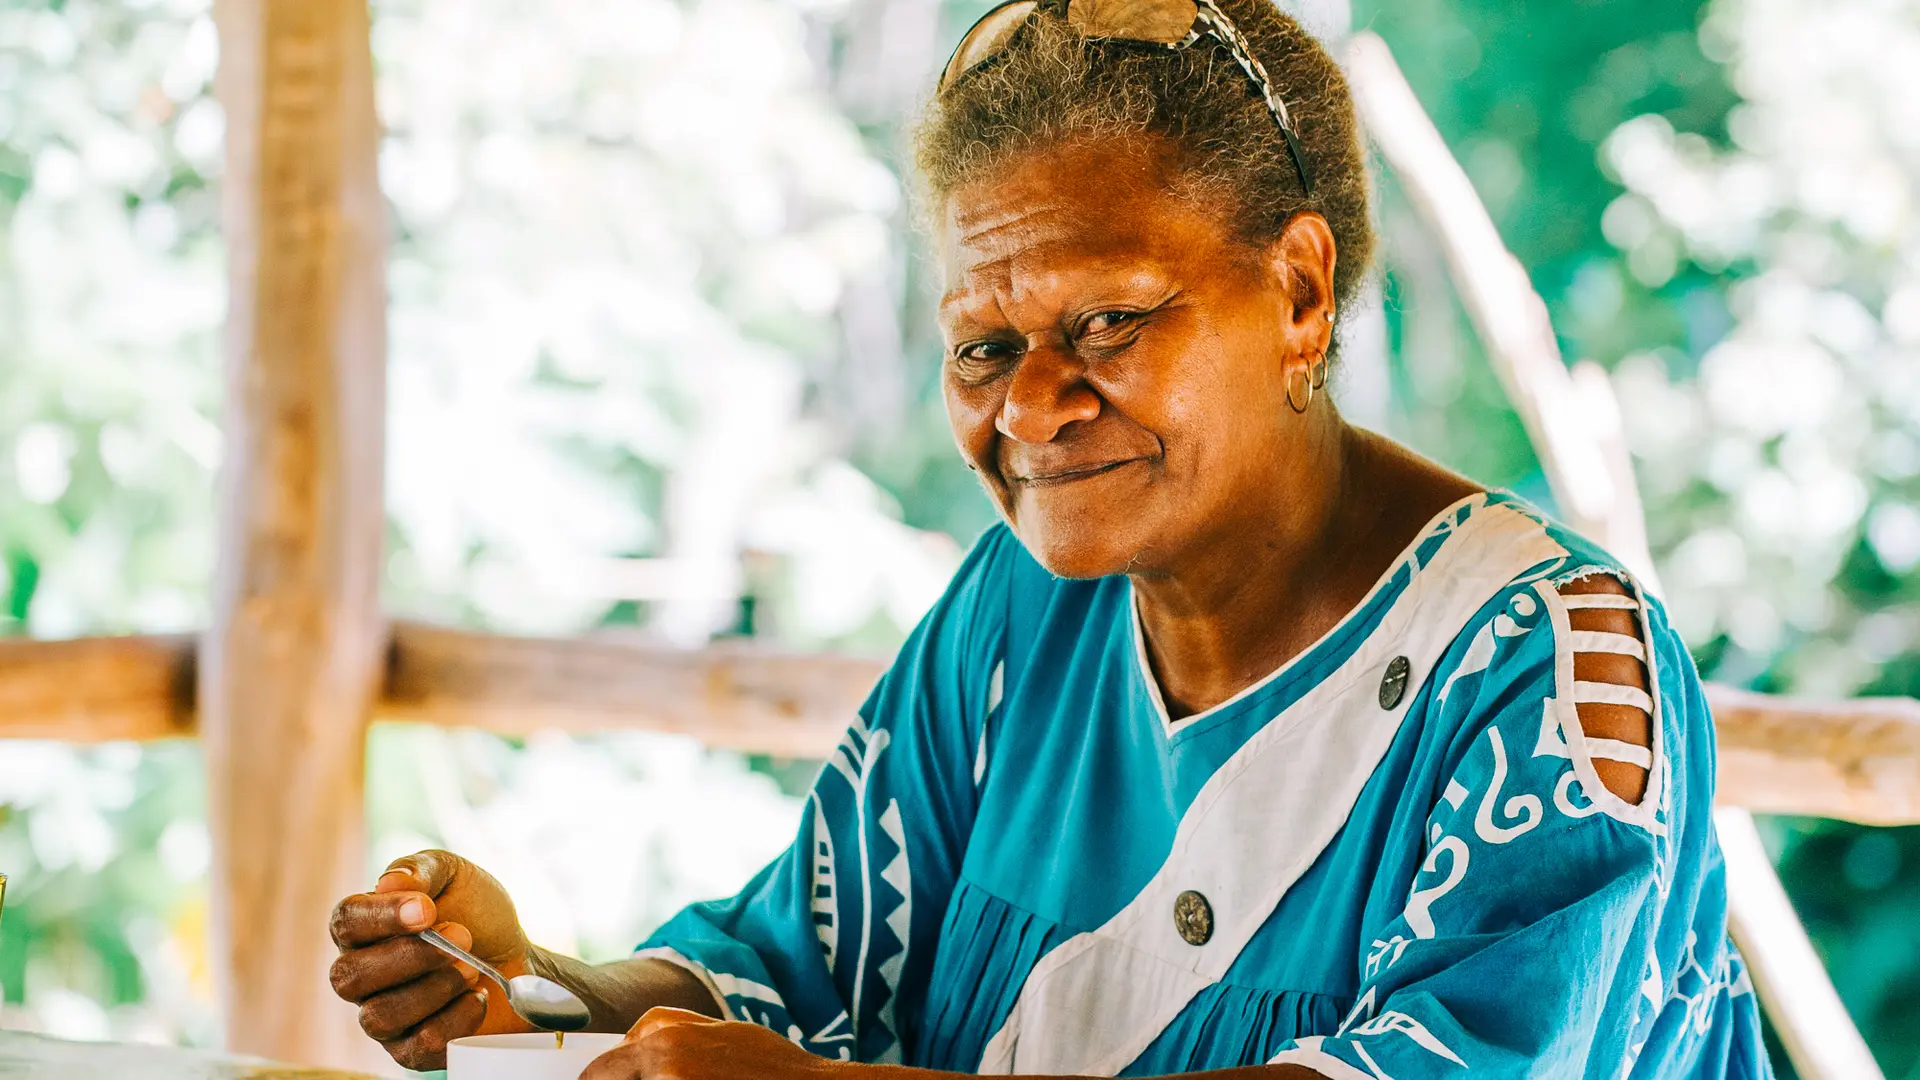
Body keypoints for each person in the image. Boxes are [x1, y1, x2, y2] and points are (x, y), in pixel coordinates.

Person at [326, 1, 1773, 1076]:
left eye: (1108, 323)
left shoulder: (1551, 675)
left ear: (1302, 292)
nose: (1031, 406)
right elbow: (805, 972)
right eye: (982, 346)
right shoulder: (1027, 615)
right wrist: (547, 996)